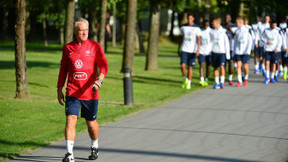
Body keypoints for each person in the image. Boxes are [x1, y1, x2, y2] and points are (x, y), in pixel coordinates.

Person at [57, 17, 109, 162]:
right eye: (81, 30)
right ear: (75, 31)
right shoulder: (68, 48)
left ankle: (94, 145)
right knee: (70, 120)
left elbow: (104, 65)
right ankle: (69, 154)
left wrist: (99, 80)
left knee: (91, 123)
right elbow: (63, 70)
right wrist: (59, 89)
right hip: (72, 91)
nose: (84, 33)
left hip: (90, 93)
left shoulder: (95, 46)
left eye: (86, 30)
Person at [178, 13, 201, 89]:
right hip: (184, 49)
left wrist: (197, 50)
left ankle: (189, 83)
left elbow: (198, 39)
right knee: (182, 65)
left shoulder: (196, 28)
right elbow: (181, 38)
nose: (189, 19)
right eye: (188, 18)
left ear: (193, 19)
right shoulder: (183, 27)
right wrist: (178, 48)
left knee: (190, 67)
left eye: (191, 18)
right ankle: (185, 79)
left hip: (192, 50)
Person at [210, 16, 230, 89]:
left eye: (214, 22)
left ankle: (222, 82)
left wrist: (227, 54)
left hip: (222, 52)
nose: (212, 23)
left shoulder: (224, 31)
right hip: (214, 52)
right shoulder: (212, 32)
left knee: (222, 67)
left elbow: (226, 43)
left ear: (218, 23)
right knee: (215, 68)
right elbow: (210, 42)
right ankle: (216, 82)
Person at [233, 17, 253, 87]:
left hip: (245, 52)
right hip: (238, 52)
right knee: (238, 66)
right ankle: (239, 81)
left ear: (240, 22)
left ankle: (246, 78)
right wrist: (234, 52)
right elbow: (235, 42)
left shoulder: (247, 30)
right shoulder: (237, 31)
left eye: (237, 22)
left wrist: (248, 51)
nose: (236, 24)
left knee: (245, 67)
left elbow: (250, 41)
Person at [261, 19, 282, 84]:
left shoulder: (277, 31)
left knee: (274, 64)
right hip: (268, 49)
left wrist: (277, 48)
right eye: (273, 24)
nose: (274, 25)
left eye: (275, 24)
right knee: (267, 63)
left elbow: (280, 41)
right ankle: (267, 77)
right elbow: (262, 38)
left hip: (274, 50)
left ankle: (272, 77)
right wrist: (265, 41)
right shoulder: (266, 30)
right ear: (270, 24)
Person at [224, 14, 237, 86]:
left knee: (230, 63)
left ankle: (230, 78)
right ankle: (222, 78)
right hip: (223, 48)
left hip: (231, 48)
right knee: (224, 64)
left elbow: (235, 35)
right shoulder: (222, 26)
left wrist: (230, 29)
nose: (226, 19)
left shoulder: (234, 26)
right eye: (226, 18)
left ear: (230, 19)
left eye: (228, 18)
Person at [198, 20, 212, 86]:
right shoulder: (200, 31)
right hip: (201, 50)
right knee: (201, 64)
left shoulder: (211, 31)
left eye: (207, 25)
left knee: (208, 66)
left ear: (209, 24)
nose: (206, 26)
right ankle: (201, 79)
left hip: (209, 51)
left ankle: (206, 79)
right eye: (205, 25)